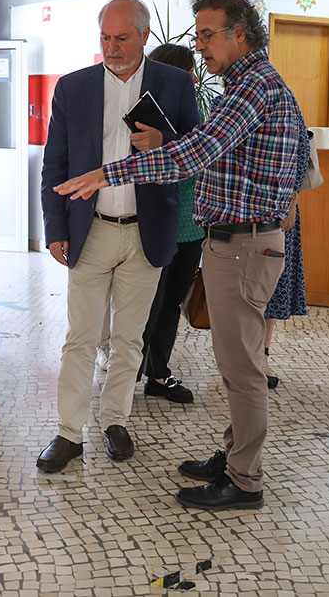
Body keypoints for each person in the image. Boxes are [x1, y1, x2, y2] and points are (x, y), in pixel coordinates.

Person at [54, 0, 308, 511]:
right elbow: (213, 155)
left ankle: (243, 480)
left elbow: (196, 153)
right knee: (234, 364)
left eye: (209, 35)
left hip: (243, 244)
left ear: (240, 33)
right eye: (197, 35)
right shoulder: (245, 84)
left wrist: (109, 172)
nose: (201, 46)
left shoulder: (252, 87)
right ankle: (234, 454)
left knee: (242, 370)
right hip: (233, 241)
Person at [36, 0, 201, 473]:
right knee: (80, 337)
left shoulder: (174, 83)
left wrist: (165, 143)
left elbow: (197, 146)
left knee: (130, 338)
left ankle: (115, 421)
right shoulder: (74, 88)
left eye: (121, 38)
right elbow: (56, 164)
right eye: (104, 38)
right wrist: (54, 227)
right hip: (91, 230)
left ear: (144, 37)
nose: (111, 47)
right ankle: (68, 434)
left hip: (147, 231)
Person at [136, 43, 204, 404]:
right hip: (156, 225)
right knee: (147, 303)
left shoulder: (195, 113)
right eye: (188, 70)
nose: (195, 76)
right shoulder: (146, 117)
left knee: (171, 303)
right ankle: (129, 369)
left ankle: (158, 374)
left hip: (191, 227)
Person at [262, 188, 306, 390]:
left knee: (272, 282)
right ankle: (239, 356)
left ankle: (262, 356)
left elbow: (301, 158)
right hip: (237, 204)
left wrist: (291, 201)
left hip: (278, 202)